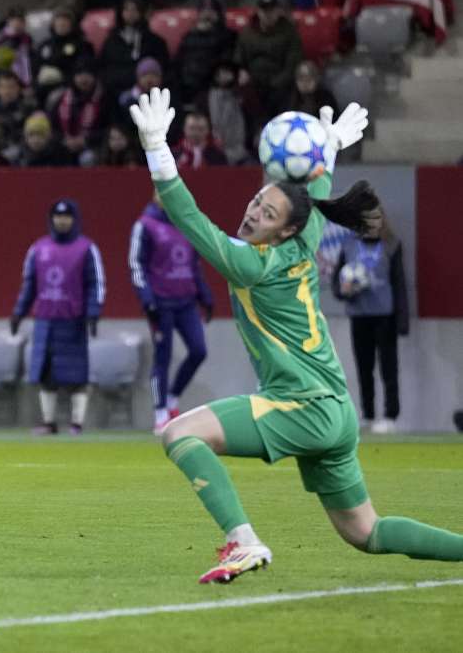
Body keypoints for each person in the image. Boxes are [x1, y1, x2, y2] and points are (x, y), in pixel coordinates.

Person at [130, 88, 463, 583]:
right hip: (334, 409)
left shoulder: (248, 262)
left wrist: (157, 148)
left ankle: (242, 541)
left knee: (180, 432)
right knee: (365, 532)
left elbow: (188, 218)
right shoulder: (302, 236)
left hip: (303, 404)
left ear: (283, 232)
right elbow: (315, 189)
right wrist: (327, 150)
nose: (252, 214)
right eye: (257, 202)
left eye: (266, 214)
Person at [10, 199, 105, 435]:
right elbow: (29, 285)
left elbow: (96, 284)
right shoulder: (38, 249)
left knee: (77, 376)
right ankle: (49, 422)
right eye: (58, 216)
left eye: (67, 216)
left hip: (73, 321)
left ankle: (77, 423)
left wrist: (93, 314)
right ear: (51, 219)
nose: (62, 220)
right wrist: (19, 312)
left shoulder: (86, 248)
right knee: (46, 375)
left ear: (74, 219)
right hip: (45, 320)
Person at [129, 191, 213, 433]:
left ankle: (174, 398)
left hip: (186, 302)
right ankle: (160, 413)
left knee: (199, 350)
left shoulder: (185, 223)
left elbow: (194, 264)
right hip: (160, 302)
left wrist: (204, 296)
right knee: (162, 357)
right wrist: (147, 299)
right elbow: (136, 264)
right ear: (154, 194)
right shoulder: (145, 225)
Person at [331, 205, 409, 434]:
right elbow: (336, 281)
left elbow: (399, 284)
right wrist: (343, 290)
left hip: (385, 315)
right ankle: (368, 414)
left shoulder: (392, 245)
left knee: (389, 367)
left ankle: (390, 415)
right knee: (364, 367)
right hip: (359, 314)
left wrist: (402, 321)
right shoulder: (348, 246)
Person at [236, 0, 303, 122]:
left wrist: (277, 82)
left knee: (285, 93)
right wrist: (242, 72)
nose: (268, 14)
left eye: (272, 10)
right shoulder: (247, 33)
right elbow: (239, 59)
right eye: (264, 10)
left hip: (279, 82)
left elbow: (293, 63)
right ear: (258, 11)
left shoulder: (290, 32)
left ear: (278, 11)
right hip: (253, 82)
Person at [98, 0, 169, 101]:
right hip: (113, 94)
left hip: (146, 94)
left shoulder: (154, 41)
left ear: (142, 12)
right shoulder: (111, 41)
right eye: (126, 10)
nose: (130, 14)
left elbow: (162, 68)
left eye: (134, 10)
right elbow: (103, 67)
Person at [175, 0, 236, 105]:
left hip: (210, 83)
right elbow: (178, 60)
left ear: (218, 15)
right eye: (204, 11)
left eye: (211, 11)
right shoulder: (189, 36)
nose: (207, 15)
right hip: (186, 82)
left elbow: (227, 60)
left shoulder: (227, 35)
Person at [33, 7, 94, 105]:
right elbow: (35, 66)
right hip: (42, 87)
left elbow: (83, 67)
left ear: (71, 25)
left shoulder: (81, 45)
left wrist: (62, 76)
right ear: (53, 24)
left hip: (68, 87)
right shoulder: (45, 45)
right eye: (59, 22)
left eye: (65, 23)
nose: (61, 25)